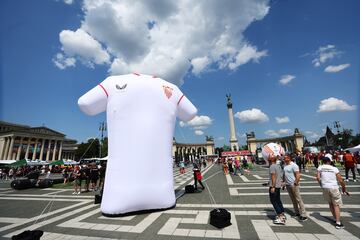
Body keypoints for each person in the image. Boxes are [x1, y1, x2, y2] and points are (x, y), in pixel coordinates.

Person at [316, 157, 349, 229]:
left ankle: (335, 218)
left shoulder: (320, 168)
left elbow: (318, 178)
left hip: (325, 187)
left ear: (322, 162)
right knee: (336, 205)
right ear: (329, 161)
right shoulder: (334, 168)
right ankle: (338, 222)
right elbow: (340, 180)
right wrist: (344, 188)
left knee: (330, 203)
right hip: (334, 187)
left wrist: (321, 184)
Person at [283, 155, 307, 221]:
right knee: (293, 200)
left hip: (293, 184)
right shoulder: (285, 166)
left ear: (289, 158)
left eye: (286, 158)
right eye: (284, 158)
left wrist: (296, 182)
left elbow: (298, 174)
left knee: (298, 199)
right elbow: (284, 175)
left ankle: (304, 214)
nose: (284, 159)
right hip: (288, 185)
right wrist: (284, 183)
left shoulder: (294, 165)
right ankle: (297, 212)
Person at [268, 155, 286, 225]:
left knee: (273, 201)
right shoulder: (278, 166)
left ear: (271, 159)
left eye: (269, 157)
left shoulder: (272, 166)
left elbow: (273, 177)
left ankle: (280, 217)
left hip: (274, 186)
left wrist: (272, 186)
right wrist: (282, 182)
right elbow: (282, 175)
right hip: (278, 185)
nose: (268, 157)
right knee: (278, 200)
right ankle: (283, 214)